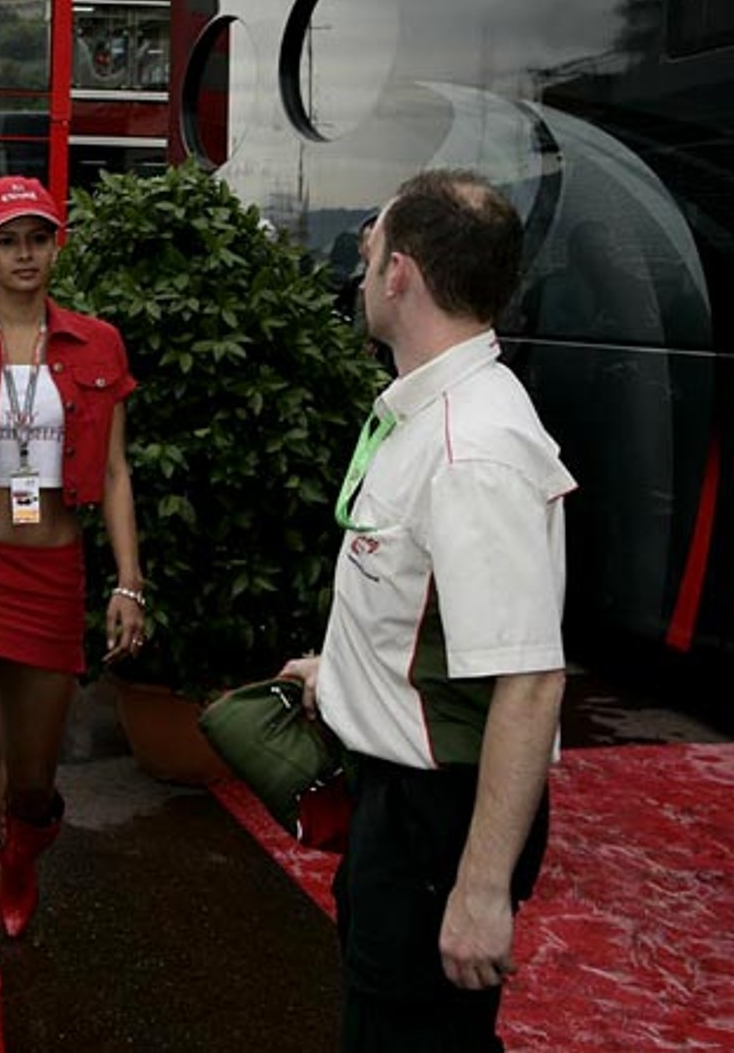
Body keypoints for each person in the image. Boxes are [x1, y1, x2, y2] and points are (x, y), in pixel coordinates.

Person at [279, 170, 573, 1052]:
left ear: (400, 274)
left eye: (369, 255)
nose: (361, 274)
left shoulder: (471, 447)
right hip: (403, 805)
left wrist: (480, 890)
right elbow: (426, 611)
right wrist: (339, 677)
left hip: (434, 822)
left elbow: (528, 683)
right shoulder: (435, 411)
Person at [0, 175, 145, 1052]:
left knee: (31, 782)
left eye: (38, 237)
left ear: (57, 248)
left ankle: (21, 858)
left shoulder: (96, 343)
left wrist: (129, 581)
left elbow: (119, 474)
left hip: (52, 573)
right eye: (6, 239)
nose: (24, 253)